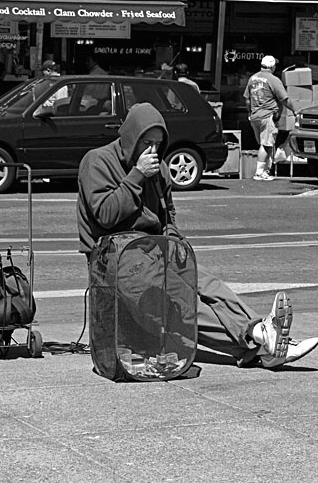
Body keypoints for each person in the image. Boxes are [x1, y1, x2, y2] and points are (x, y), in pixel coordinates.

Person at [77, 102, 318, 369]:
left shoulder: (160, 168)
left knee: (207, 283)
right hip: (116, 256)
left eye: (159, 144)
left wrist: (173, 237)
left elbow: (167, 212)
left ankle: (260, 332)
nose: (153, 150)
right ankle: (258, 344)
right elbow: (106, 215)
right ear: (131, 137)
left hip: (154, 246)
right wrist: (136, 176)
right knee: (178, 303)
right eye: (147, 142)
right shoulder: (97, 161)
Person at [244, 55, 296, 181]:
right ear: (272, 66)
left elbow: (247, 99)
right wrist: (295, 109)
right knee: (266, 144)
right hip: (266, 116)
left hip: (254, 116)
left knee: (263, 143)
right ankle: (259, 173)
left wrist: (250, 112)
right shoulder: (273, 79)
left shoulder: (253, 78)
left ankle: (265, 171)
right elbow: (284, 99)